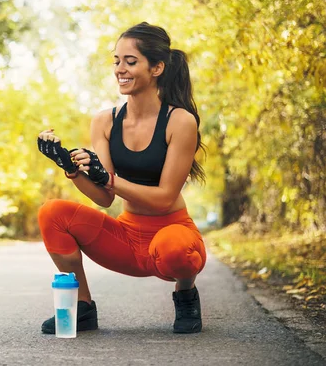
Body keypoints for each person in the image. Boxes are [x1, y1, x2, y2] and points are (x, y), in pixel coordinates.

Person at [37, 22, 207, 334]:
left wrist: (108, 178)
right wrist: (71, 168)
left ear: (156, 67)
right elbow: (105, 198)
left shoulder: (180, 121)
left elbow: (165, 197)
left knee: (175, 248)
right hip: (127, 240)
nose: (120, 69)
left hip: (172, 233)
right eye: (116, 61)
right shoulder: (104, 121)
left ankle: (185, 294)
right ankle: (83, 308)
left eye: (130, 61)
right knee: (52, 213)